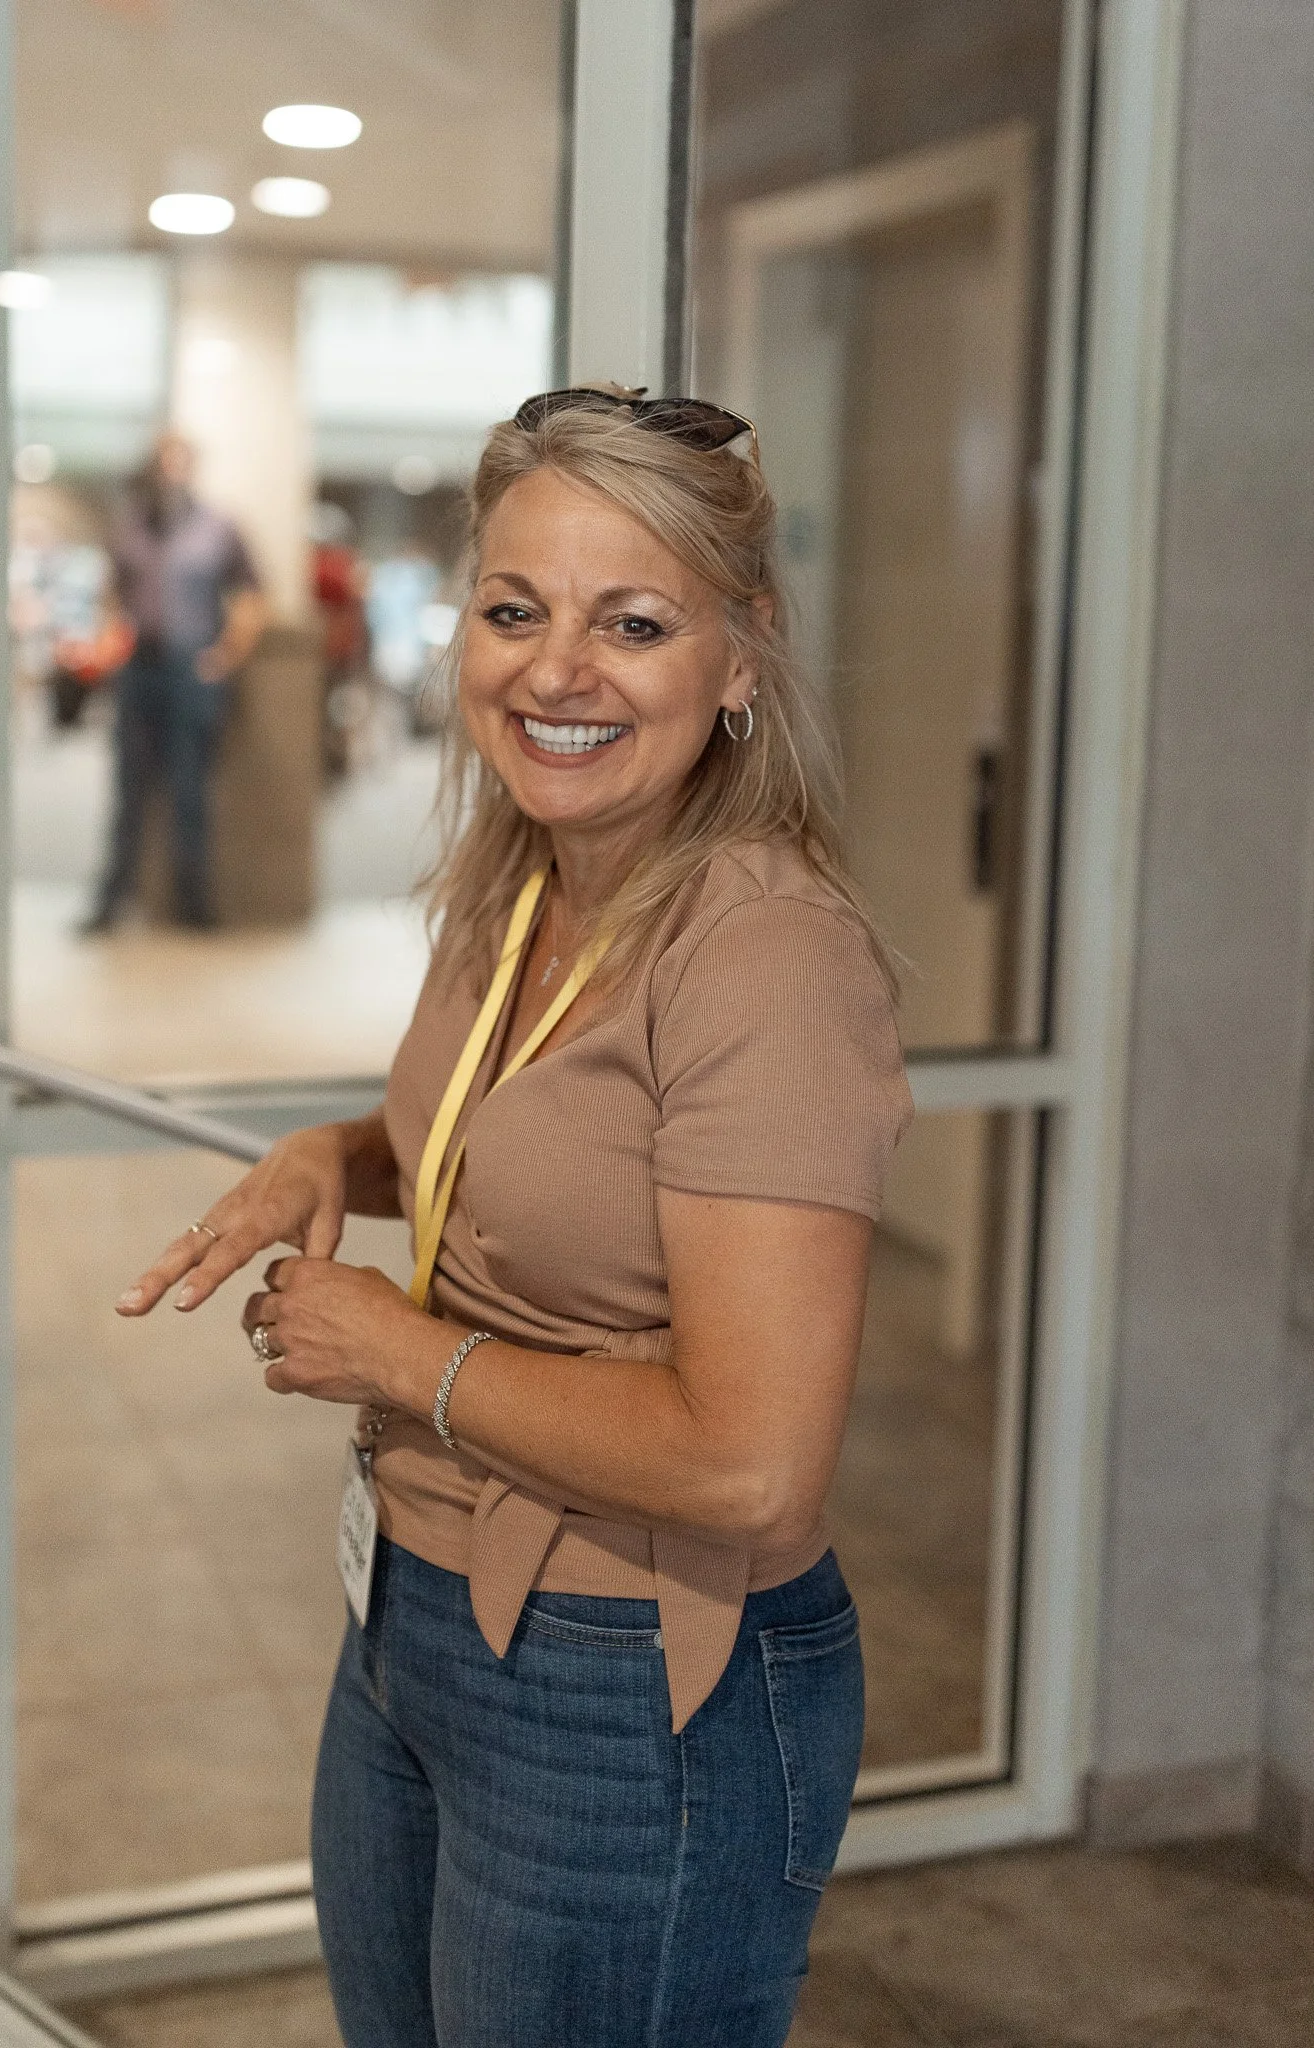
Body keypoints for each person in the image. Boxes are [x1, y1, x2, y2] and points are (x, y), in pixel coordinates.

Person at [116, 388, 912, 2047]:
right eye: (513, 609)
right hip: (412, 1615)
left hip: (625, 1677)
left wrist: (402, 1350)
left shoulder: (764, 957)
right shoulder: (530, 874)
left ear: (743, 658)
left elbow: (753, 1458)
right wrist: (331, 1156)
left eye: (634, 621)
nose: (556, 670)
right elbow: (533, 1143)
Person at [83, 431, 266, 931]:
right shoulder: (132, 525)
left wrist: (225, 656)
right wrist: (109, 640)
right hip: (139, 668)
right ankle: (110, 903)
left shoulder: (218, 527)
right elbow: (110, 591)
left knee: (191, 791)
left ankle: (195, 907)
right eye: (164, 462)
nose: (171, 472)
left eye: (180, 461)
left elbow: (252, 597)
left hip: (191, 670)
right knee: (129, 790)